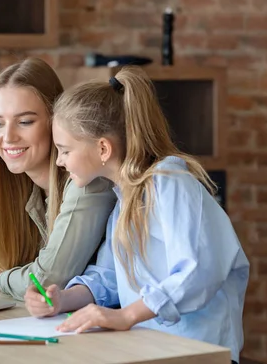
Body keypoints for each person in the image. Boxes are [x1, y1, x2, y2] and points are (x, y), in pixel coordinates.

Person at [24, 66, 249, 364]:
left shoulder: (170, 183)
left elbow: (196, 273)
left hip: (196, 353)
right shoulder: (122, 200)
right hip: (148, 348)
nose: (60, 162)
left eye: (65, 150)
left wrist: (126, 316)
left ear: (103, 148)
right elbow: (108, 278)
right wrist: (61, 300)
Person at [0, 58, 116, 300]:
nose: (7, 137)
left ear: (56, 122)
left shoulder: (86, 182)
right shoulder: (17, 182)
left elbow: (46, 281)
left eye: (24, 122)